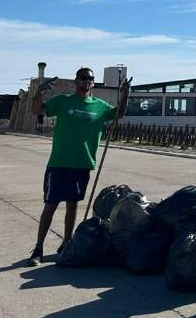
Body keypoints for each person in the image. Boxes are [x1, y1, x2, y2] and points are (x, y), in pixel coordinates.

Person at [26, 67, 129, 266]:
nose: (87, 81)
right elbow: (37, 110)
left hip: (82, 164)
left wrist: (125, 94)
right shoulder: (63, 101)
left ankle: (66, 244)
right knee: (50, 206)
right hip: (59, 163)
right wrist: (39, 91)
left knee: (72, 206)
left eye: (90, 79)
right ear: (76, 81)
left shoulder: (99, 106)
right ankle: (38, 249)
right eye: (83, 78)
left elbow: (119, 114)